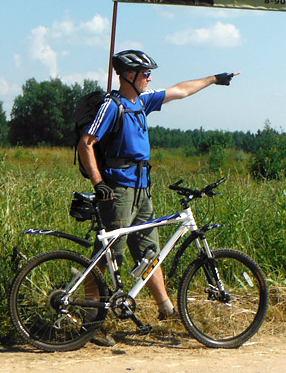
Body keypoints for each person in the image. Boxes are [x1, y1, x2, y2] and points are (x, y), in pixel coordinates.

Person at [76, 49, 239, 340]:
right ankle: (90, 322)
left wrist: (214, 79)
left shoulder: (142, 101)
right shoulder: (113, 106)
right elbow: (86, 143)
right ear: (129, 75)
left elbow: (180, 90)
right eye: (145, 73)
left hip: (142, 189)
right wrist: (98, 182)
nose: (150, 77)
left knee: (150, 251)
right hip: (118, 191)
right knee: (108, 256)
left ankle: (167, 310)